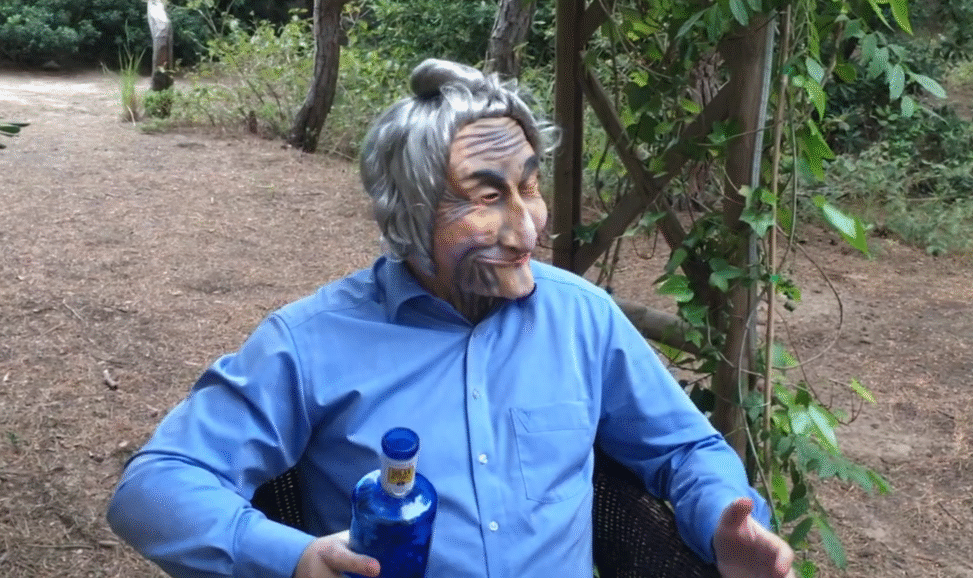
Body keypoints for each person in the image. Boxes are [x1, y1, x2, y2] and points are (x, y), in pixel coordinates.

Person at [107, 58, 795, 578]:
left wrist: (722, 520)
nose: (527, 229)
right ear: (408, 215)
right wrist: (292, 559)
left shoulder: (583, 319)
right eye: (486, 198)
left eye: (529, 186)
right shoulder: (310, 342)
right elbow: (154, 486)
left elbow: (683, 450)